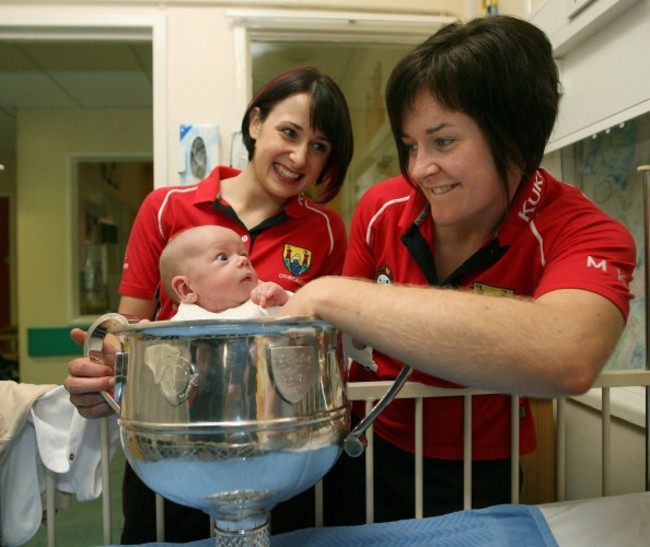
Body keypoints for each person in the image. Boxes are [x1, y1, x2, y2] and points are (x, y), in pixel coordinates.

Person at [279, 15, 637, 526]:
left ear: (513, 133)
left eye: (443, 142)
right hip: (366, 448)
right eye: (410, 145)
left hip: (479, 471)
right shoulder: (382, 209)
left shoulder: (582, 231)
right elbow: (335, 352)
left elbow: (568, 352)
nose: (420, 168)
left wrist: (329, 294)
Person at [64, 66, 353, 543]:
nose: (300, 157)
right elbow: (128, 329)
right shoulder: (166, 207)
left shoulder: (325, 230)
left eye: (319, 146)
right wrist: (103, 373)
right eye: (289, 132)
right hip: (175, 452)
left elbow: (327, 337)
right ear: (256, 123)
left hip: (282, 452)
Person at [159, 224, 290, 320]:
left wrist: (284, 299)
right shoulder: (184, 319)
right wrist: (146, 334)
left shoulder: (262, 302)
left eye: (243, 254)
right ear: (187, 289)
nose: (243, 260)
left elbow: (302, 318)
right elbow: (165, 351)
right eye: (223, 257)